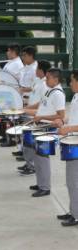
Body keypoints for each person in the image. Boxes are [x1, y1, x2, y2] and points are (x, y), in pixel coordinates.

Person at [24, 68, 66, 197]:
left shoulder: (58, 94)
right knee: (38, 157)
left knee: (43, 158)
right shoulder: (49, 90)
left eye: (48, 78)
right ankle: (40, 183)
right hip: (40, 125)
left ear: (56, 79)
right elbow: (43, 107)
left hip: (47, 128)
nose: (46, 80)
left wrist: (41, 118)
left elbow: (61, 116)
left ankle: (45, 187)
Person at [17, 60, 51, 175]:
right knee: (27, 141)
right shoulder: (38, 81)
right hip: (31, 111)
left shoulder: (46, 85)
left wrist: (31, 110)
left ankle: (31, 166)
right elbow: (33, 95)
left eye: (37, 69)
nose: (35, 71)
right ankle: (28, 163)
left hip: (36, 115)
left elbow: (42, 103)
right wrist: (27, 106)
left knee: (31, 142)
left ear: (41, 71)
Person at [54, 70, 78, 226]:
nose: (70, 83)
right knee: (71, 181)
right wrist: (64, 122)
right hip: (72, 141)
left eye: (72, 80)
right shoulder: (76, 97)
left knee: (74, 182)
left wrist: (68, 129)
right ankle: (73, 211)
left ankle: (76, 215)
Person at [0, 44, 24, 145]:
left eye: (8, 51)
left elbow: (15, 79)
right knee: (5, 116)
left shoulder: (17, 64)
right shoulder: (11, 63)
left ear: (13, 52)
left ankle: (11, 139)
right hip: (6, 92)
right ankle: (5, 136)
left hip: (12, 93)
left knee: (11, 117)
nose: (7, 53)